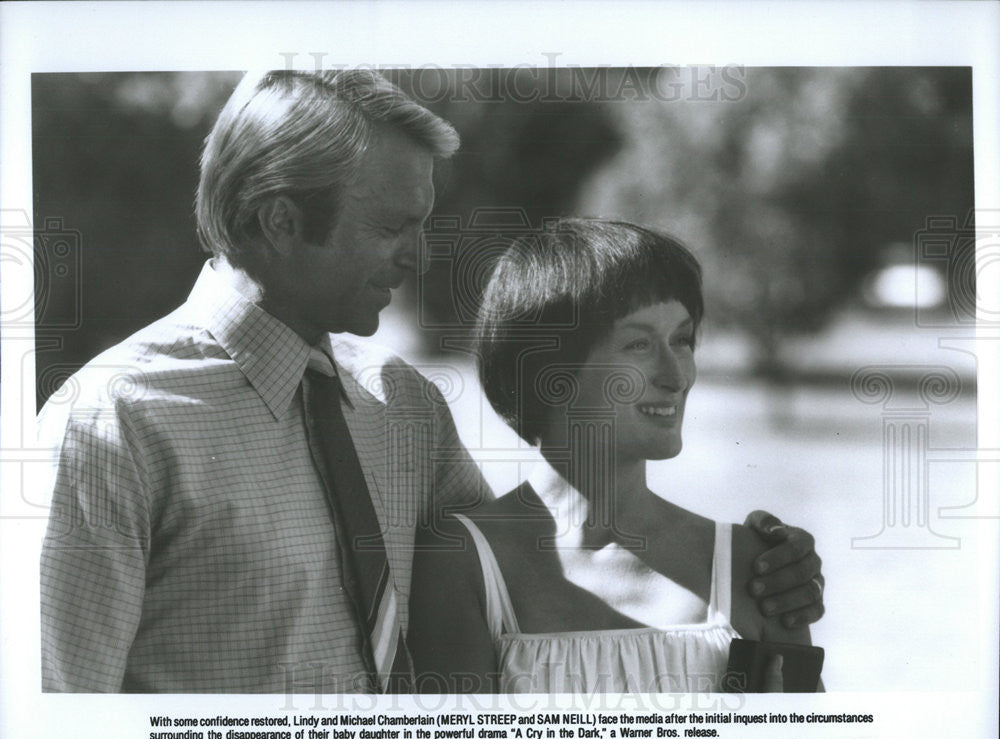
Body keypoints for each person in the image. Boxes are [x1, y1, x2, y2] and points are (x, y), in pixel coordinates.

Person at [38, 70, 824, 694]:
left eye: (423, 224)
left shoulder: (402, 405)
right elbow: (51, 728)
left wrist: (745, 574)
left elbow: (532, 568)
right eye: (391, 227)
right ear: (279, 220)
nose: (418, 258)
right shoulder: (112, 423)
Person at [409, 218, 822, 693]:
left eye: (683, 340)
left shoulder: (757, 569)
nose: (676, 375)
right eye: (639, 344)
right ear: (550, 370)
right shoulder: (462, 563)